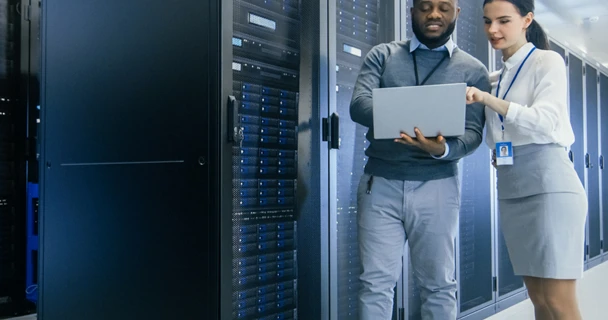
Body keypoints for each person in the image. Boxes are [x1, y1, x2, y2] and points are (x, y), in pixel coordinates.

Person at [349, 0, 491, 318]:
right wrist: (412, 118)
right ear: (411, 12)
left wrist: (438, 149)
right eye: (425, 7)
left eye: (443, 7)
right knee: (375, 284)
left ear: (457, 13)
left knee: (439, 285)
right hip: (380, 185)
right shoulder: (382, 55)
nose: (434, 14)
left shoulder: (473, 70)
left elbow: (472, 135)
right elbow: (358, 104)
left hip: (438, 188)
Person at [465, 0, 587, 319]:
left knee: (558, 299)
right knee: (538, 298)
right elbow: (497, 133)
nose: (493, 30)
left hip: (550, 186)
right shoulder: (497, 76)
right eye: (487, 21)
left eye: (504, 20)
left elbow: (546, 121)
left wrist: (488, 99)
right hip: (510, 186)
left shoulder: (547, 62)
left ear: (527, 20)